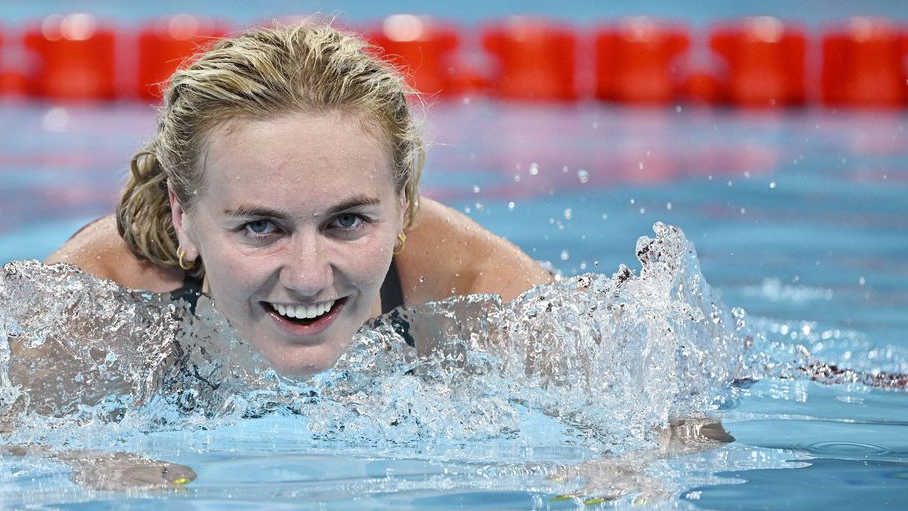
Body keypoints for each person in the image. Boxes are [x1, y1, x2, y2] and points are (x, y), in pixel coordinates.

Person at [46, 22, 553, 377]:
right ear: (184, 220)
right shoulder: (86, 313)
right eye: (261, 228)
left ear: (402, 206)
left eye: (348, 221)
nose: (308, 279)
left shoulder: (493, 303)